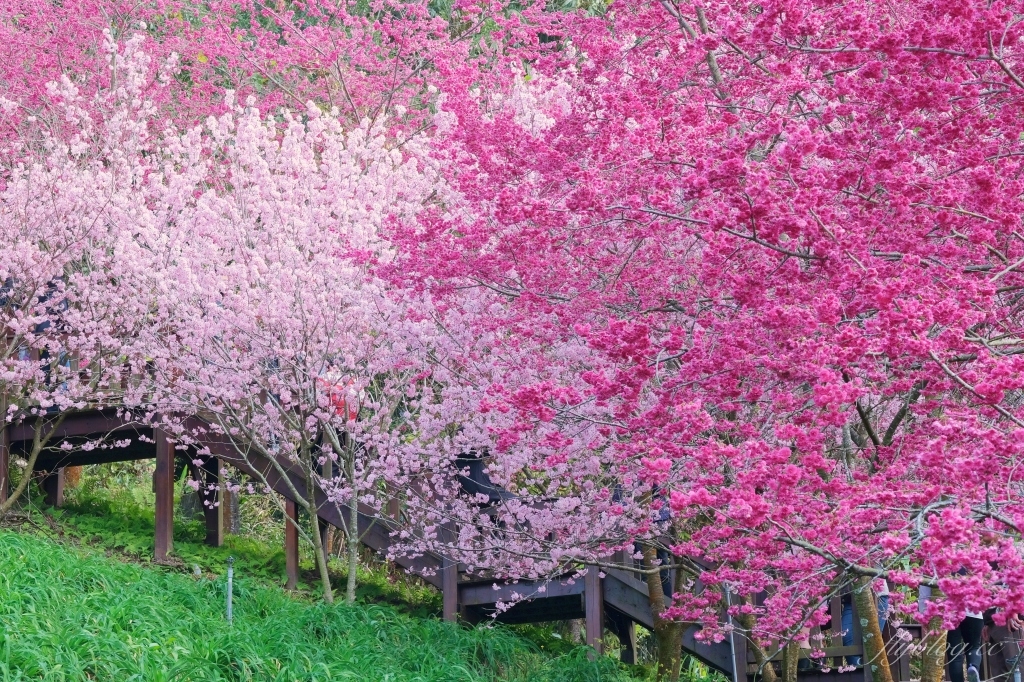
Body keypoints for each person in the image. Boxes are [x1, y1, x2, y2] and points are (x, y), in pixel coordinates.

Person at [984, 610, 1023, 682]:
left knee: (1016, 670)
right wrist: (987, 622)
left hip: (1011, 621)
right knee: (999, 674)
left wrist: (1013, 612)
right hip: (993, 621)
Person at [948, 612, 985, 682]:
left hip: (951, 613)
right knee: (974, 647)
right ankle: (973, 668)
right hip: (973, 611)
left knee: (954, 656)